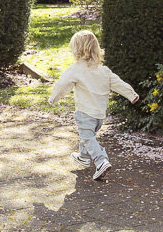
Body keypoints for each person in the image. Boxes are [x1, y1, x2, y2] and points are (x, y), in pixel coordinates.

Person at [48, 30, 139, 180]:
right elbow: (118, 84)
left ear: (77, 50)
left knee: (88, 137)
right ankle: (83, 157)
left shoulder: (76, 69)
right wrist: (132, 95)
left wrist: (53, 99)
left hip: (85, 114)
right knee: (88, 136)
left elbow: (62, 84)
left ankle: (100, 160)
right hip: (99, 117)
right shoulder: (103, 71)